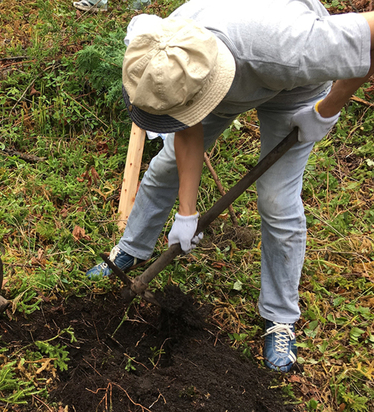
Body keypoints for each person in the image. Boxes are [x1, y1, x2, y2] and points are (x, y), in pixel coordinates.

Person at [86, 0, 374, 372]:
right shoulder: (162, 51)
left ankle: (279, 316)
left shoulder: (294, 48)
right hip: (221, 80)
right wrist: (186, 213)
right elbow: (186, 123)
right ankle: (130, 249)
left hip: (291, 84)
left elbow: (369, 39)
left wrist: (327, 108)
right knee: (168, 164)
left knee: (276, 198)